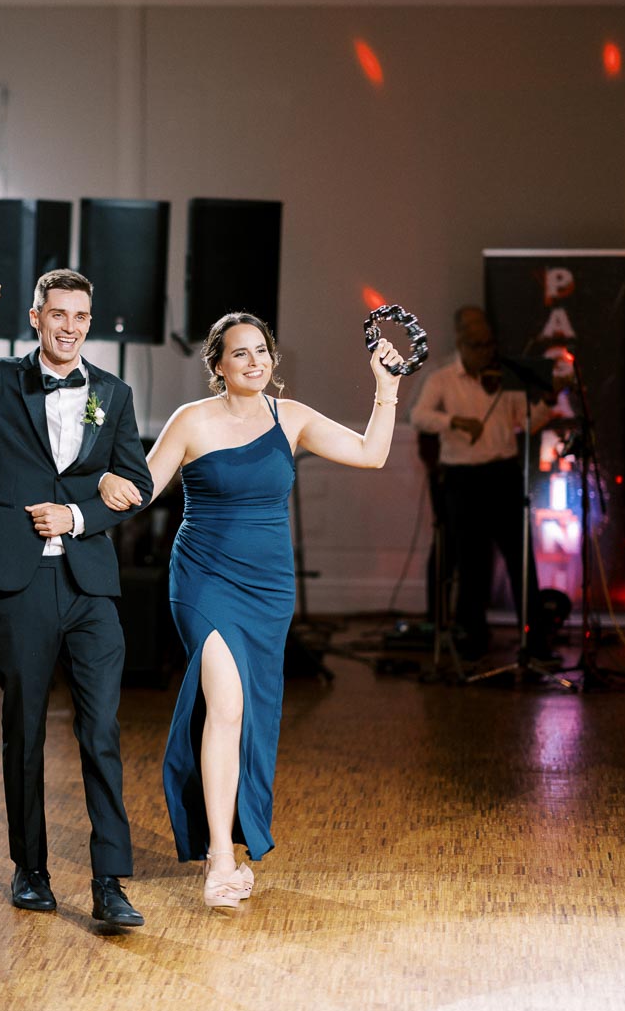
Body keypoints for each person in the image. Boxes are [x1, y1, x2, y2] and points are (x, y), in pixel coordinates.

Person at [99, 312, 404, 909]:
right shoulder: (191, 420)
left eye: (261, 351)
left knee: (247, 713)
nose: (253, 362)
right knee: (228, 705)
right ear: (218, 365)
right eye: (239, 354)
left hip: (268, 588)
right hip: (204, 579)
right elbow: (143, 488)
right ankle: (219, 858)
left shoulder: (289, 418)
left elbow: (371, 454)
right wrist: (102, 489)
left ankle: (223, 843)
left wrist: (385, 390)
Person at [0, 269, 153, 927]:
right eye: (59, 315)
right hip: (17, 583)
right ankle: (32, 870)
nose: (71, 327)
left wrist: (76, 515)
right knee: (22, 730)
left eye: (81, 316)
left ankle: (110, 883)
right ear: (36, 316)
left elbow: (137, 481)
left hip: (90, 587)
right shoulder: (1, 381)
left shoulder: (113, 392)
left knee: (101, 730)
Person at [410, 306, 556, 665]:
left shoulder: (505, 380)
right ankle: (473, 637)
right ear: (462, 343)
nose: (487, 352)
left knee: (520, 558)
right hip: (463, 479)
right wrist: (455, 421)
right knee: (472, 562)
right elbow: (419, 416)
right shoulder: (442, 379)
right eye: (478, 345)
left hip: (504, 475)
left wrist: (549, 403)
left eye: (490, 343)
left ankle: (536, 641)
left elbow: (528, 422)